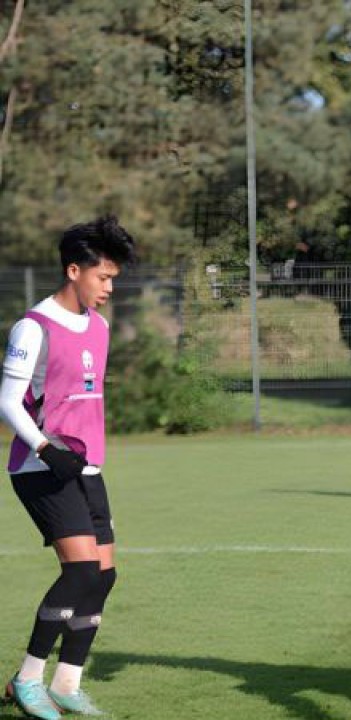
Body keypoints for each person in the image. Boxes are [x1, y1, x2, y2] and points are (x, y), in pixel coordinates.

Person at [0, 217, 137, 719]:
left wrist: (86, 457)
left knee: (102, 575)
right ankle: (27, 678)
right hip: (40, 467)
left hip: (86, 468)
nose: (109, 287)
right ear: (73, 270)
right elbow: (9, 401)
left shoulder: (99, 328)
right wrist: (44, 448)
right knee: (79, 569)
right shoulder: (32, 327)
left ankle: (66, 683)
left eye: (113, 279)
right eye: (103, 277)